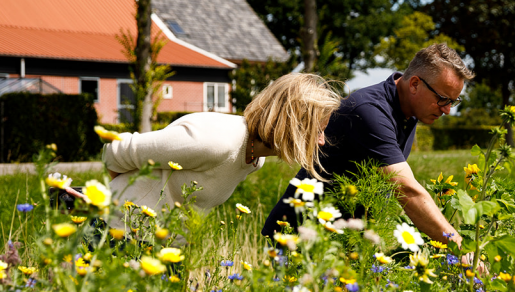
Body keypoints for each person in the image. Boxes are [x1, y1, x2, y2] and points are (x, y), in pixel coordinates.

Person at [262, 43, 473, 252]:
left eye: (453, 102)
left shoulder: (409, 112)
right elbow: (408, 191)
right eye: (442, 99)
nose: (447, 110)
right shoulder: (369, 112)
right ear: (415, 84)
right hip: (298, 238)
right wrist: (462, 249)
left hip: (341, 242)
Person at [103, 73, 341, 216]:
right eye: (317, 130)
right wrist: (123, 206)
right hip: (116, 235)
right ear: (291, 123)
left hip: (158, 250)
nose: (321, 140)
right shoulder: (216, 141)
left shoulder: (254, 160)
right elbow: (116, 151)